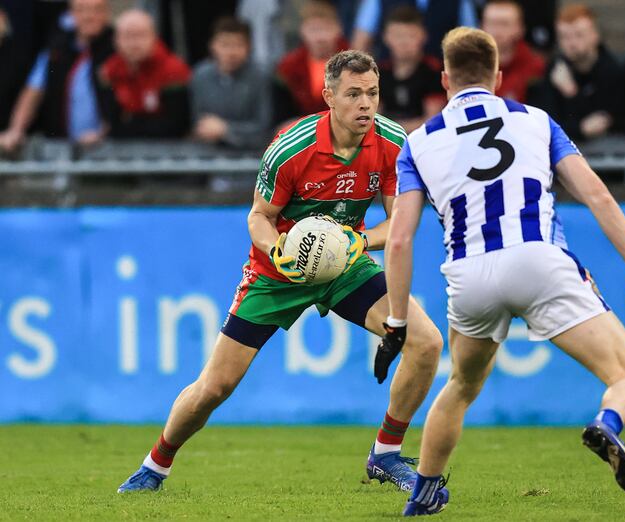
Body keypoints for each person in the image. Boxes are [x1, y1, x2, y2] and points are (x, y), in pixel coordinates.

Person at [376, 27, 625, 515]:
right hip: (538, 260)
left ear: (445, 79)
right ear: (497, 77)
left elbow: (401, 238)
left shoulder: (417, 142)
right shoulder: (536, 120)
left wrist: (395, 322)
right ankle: (607, 424)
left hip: (469, 274)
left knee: (460, 387)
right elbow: (597, 195)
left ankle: (424, 494)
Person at [117, 50, 446, 500]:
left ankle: (385, 454)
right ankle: (155, 465)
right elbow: (258, 217)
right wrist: (279, 250)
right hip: (277, 274)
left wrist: (358, 241)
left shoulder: (392, 142)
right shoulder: (291, 148)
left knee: (427, 343)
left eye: (372, 93)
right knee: (216, 386)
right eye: (353, 94)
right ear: (329, 96)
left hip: (344, 264)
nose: (365, 104)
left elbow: (400, 223)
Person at [0, 0, 113, 152]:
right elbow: (33, 91)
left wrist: (103, 133)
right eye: (81, 10)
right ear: (71, 14)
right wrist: (16, 129)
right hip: (62, 148)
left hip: (107, 149)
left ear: (107, 13)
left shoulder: (117, 48)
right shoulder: (56, 49)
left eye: (96, 10)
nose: (89, 16)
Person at [97, 9, 191, 138]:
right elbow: (112, 120)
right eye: (128, 36)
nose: (134, 43)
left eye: (141, 35)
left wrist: (130, 120)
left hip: (166, 149)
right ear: (116, 40)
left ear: (154, 37)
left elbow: (175, 125)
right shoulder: (109, 70)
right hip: (122, 149)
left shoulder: (173, 69)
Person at [535, 4, 622, 140]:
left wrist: (572, 93)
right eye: (564, 36)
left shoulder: (612, 71)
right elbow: (546, 121)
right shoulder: (556, 68)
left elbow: (606, 122)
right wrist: (580, 129)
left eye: (579, 35)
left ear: (595, 35)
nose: (571, 43)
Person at [191, 17, 270, 149]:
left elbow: (264, 127)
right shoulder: (200, 76)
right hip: (208, 151)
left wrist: (226, 130)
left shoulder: (260, 77)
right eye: (225, 45)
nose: (231, 52)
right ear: (213, 46)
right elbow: (198, 122)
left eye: (238, 45)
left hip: (252, 153)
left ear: (249, 47)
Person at [272, 1, 349, 127]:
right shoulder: (287, 68)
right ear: (302, 31)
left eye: (326, 29)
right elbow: (281, 119)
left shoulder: (357, 66)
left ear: (338, 29)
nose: (320, 38)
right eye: (313, 30)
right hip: (300, 134)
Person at [378, 6, 446, 133]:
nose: (404, 42)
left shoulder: (434, 72)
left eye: (410, 35)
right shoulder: (379, 72)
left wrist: (389, 130)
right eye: (398, 35)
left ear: (423, 36)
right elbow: (372, 117)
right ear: (386, 37)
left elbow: (432, 122)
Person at [351, 0, 478, 59]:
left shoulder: (459, 2)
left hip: (440, 81)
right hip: (388, 77)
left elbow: (471, 44)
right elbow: (361, 42)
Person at [480, 0, 545, 102]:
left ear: (520, 28)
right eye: (491, 23)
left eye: (504, 24)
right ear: (482, 27)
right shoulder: (469, 65)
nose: (497, 31)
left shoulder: (536, 66)